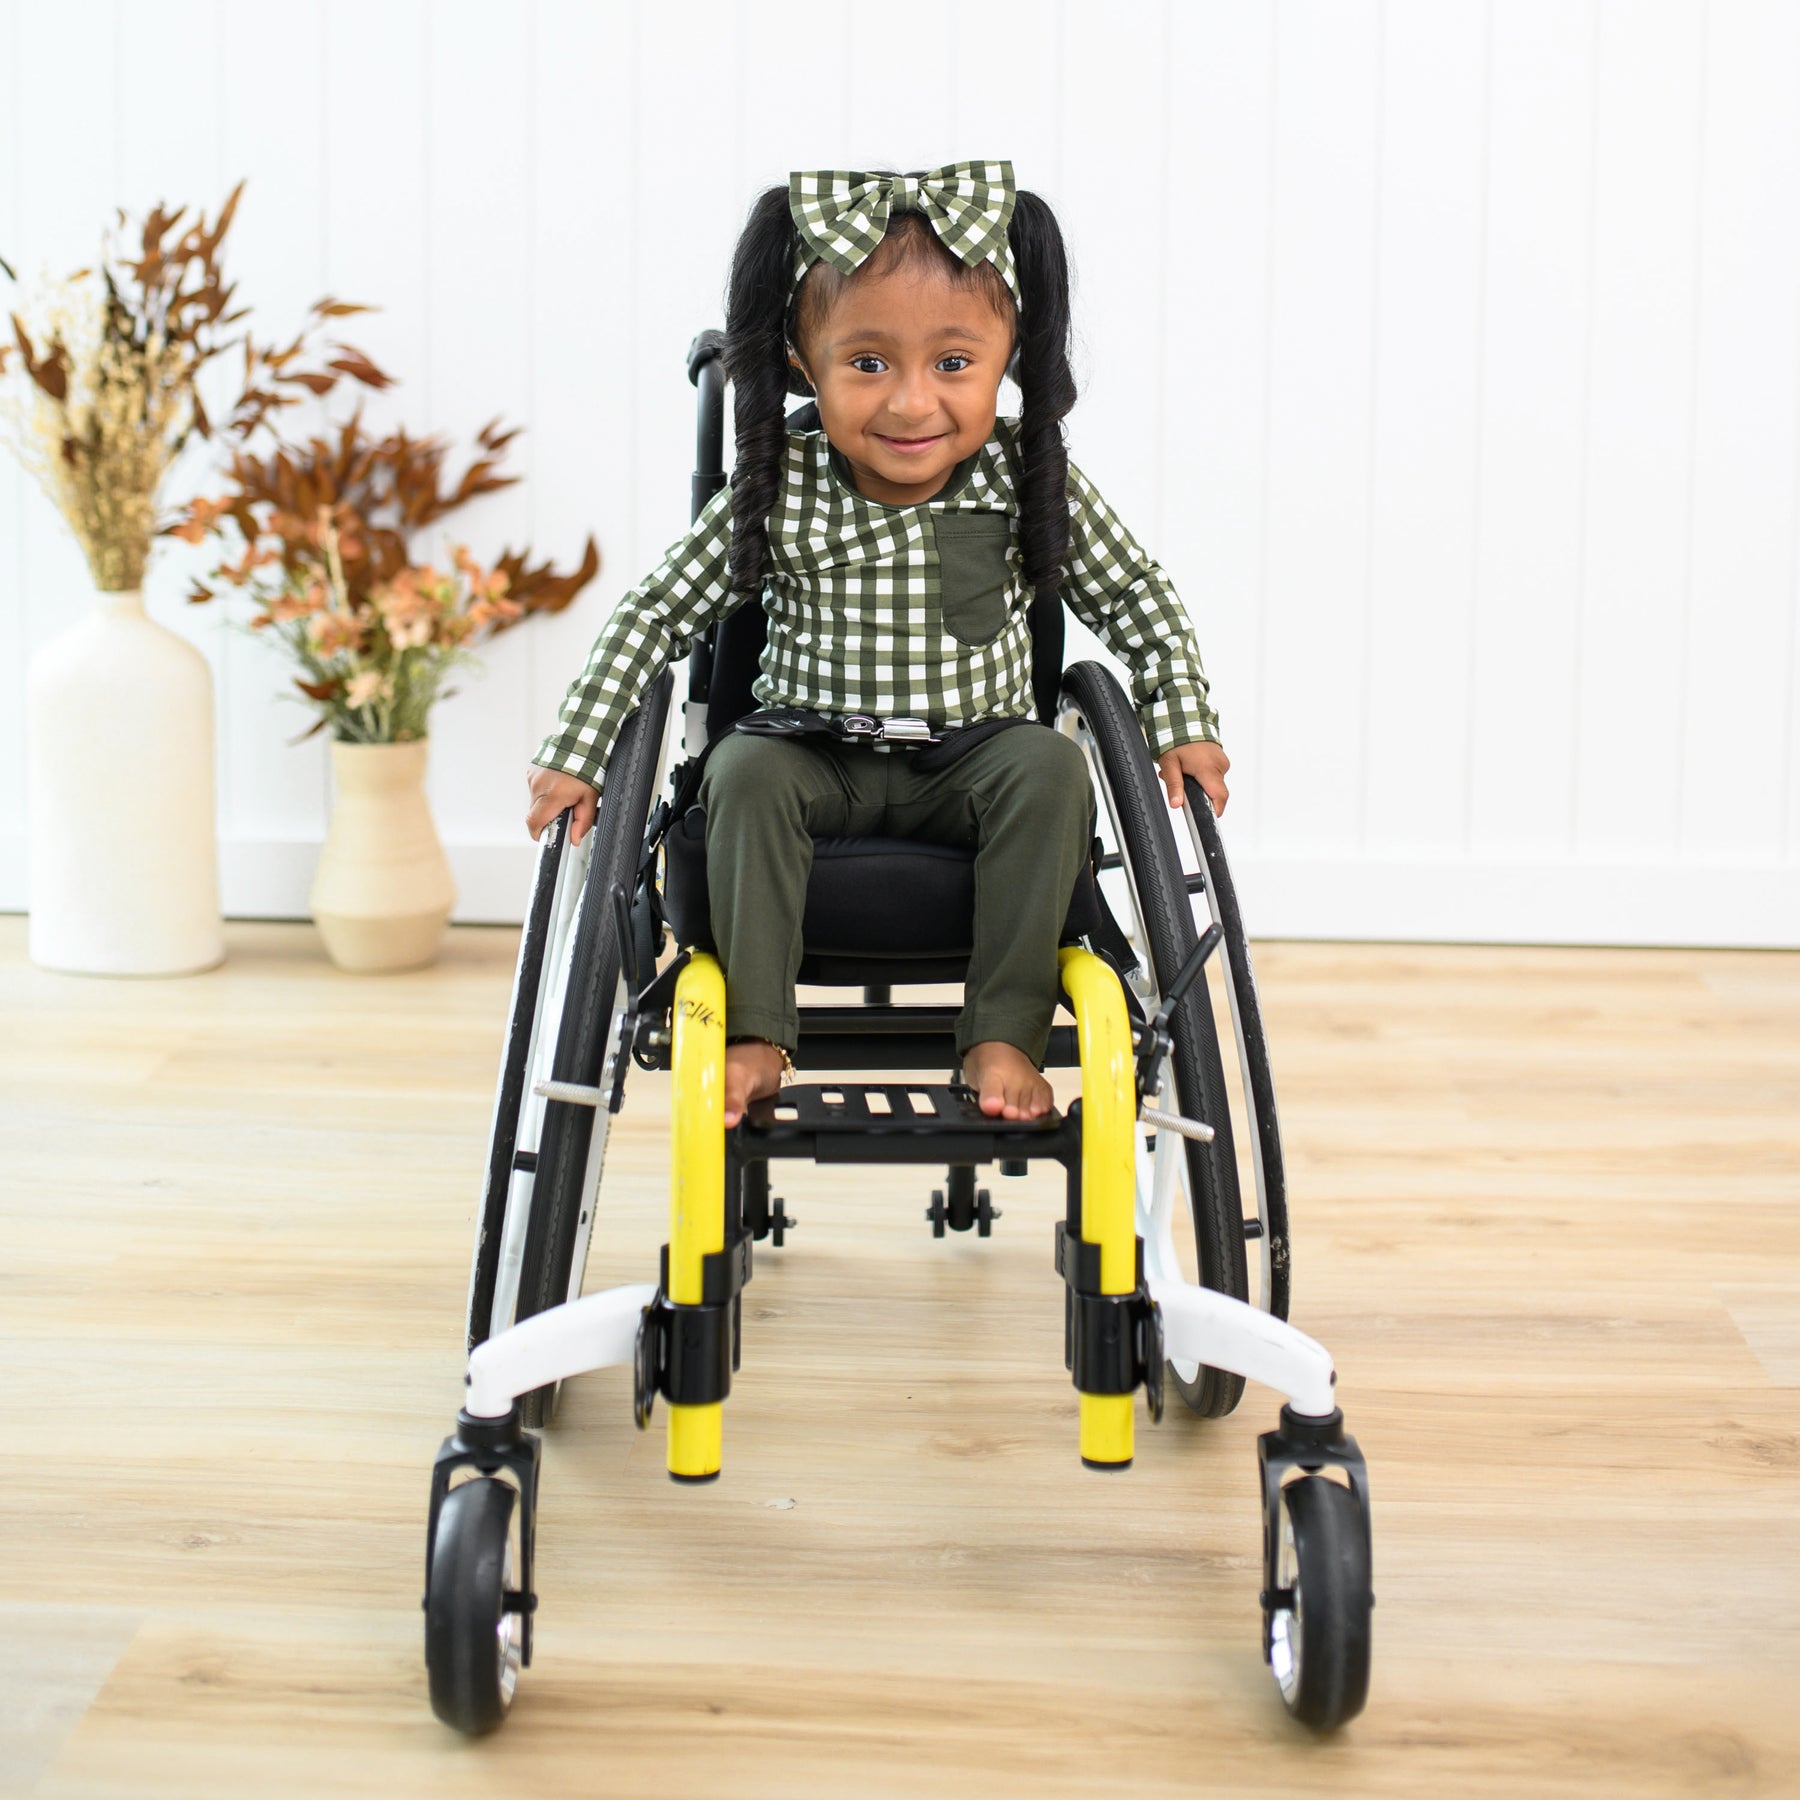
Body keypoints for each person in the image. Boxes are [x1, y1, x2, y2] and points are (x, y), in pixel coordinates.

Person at [525, 163, 1229, 1130]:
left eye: (953, 363)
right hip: (809, 753)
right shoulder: (781, 482)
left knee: (1052, 768)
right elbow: (655, 611)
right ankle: (758, 1031)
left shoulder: (1025, 476)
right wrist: (578, 751)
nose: (910, 404)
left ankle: (1002, 1033)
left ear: (1007, 359)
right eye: (867, 364)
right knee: (743, 770)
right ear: (803, 364)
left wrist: (1181, 720)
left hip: (976, 760)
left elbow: (1136, 592)